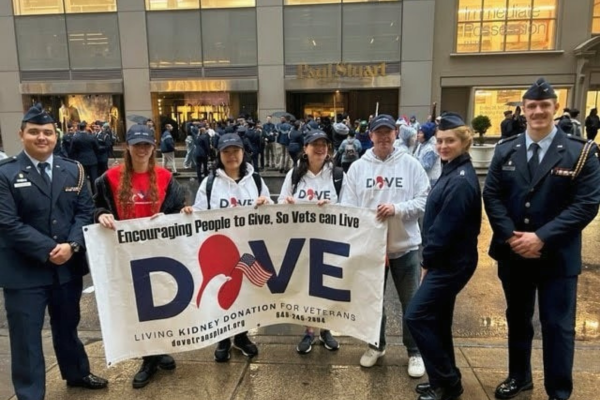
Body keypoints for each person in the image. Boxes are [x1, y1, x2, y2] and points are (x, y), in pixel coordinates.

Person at [483, 78, 600, 400]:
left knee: (558, 327)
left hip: (557, 256)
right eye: (531, 106)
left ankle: (558, 391)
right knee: (518, 319)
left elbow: (586, 205)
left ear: (555, 108)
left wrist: (542, 237)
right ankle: (519, 377)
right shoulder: (505, 149)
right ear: (523, 110)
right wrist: (512, 238)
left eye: (544, 105)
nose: (537, 111)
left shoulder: (581, 152)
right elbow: (492, 196)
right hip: (514, 253)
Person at [0, 104, 108, 400]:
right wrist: (50, 249)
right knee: (26, 338)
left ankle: (76, 372)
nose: (41, 137)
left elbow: (85, 212)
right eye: (34, 132)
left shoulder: (72, 170)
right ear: (21, 134)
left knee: (67, 326)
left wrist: (72, 246)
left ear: (56, 136)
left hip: (66, 268)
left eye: (47, 132)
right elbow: (7, 223)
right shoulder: (5, 174)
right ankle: (30, 393)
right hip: (24, 271)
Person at [93, 124, 187, 389]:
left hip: (160, 253)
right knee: (139, 307)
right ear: (127, 147)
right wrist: (101, 214)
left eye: (147, 145)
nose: (142, 149)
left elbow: (177, 207)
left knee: (161, 304)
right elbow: (97, 204)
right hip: (127, 255)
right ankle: (149, 358)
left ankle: (158, 350)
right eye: (137, 145)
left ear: (153, 147)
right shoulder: (110, 177)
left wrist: (179, 213)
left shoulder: (165, 176)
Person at [342, 114, 428, 378]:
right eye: (378, 133)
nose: (383, 137)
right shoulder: (358, 167)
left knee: (411, 302)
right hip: (371, 250)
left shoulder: (411, 164)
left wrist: (397, 209)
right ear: (370, 136)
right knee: (372, 300)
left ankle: (414, 351)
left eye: (388, 132)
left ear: (395, 134)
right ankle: (375, 345)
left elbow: (425, 200)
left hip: (406, 247)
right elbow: (348, 207)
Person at [405, 113, 482, 400]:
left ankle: (447, 380)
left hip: (450, 263)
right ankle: (444, 381)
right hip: (449, 260)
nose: (443, 146)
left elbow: (443, 231)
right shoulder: (452, 169)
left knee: (417, 316)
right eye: (440, 141)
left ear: (464, 141)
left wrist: (427, 263)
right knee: (437, 320)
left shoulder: (460, 180)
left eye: (450, 141)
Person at [192, 133, 272, 361]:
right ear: (219, 154)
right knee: (222, 294)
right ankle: (223, 338)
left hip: (248, 250)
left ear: (243, 153)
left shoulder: (255, 180)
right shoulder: (210, 184)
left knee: (245, 295)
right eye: (226, 151)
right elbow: (199, 214)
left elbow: (273, 212)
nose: (231, 156)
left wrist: (266, 203)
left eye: (235, 151)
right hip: (221, 251)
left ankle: (241, 336)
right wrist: (189, 213)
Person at [278, 130, 345, 354]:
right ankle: (308, 330)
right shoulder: (294, 175)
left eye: (324, 144)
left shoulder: (337, 175)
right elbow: (279, 205)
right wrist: (286, 204)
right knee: (306, 289)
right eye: (314, 144)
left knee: (326, 288)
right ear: (305, 149)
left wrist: (332, 208)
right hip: (301, 243)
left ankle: (326, 329)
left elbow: (349, 208)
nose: (320, 148)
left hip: (329, 242)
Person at [70, 121, 100, 194]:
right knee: (94, 179)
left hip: (81, 159)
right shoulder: (91, 137)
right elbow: (97, 148)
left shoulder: (75, 138)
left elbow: (72, 150)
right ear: (85, 128)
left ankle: (84, 194)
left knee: (82, 180)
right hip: (92, 159)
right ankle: (95, 194)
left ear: (79, 128)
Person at [414, 122, 441, 186]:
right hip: (424, 178)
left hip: (431, 180)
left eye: (420, 133)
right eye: (418, 132)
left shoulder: (431, 148)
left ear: (426, 135)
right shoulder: (421, 144)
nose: (418, 135)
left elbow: (426, 166)